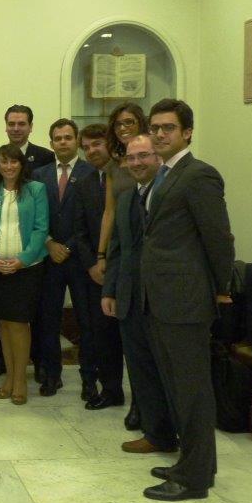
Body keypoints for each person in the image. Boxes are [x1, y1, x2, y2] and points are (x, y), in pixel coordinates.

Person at [140, 99, 234, 502]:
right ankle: (193, 463)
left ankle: (194, 479)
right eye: (155, 128)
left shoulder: (199, 175)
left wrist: (221, 288)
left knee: (192, 391)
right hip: (161, 299)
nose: (160, 134)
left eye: (169, 128)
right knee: (178, 388)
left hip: (184, 301)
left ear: (187, 132)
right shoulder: (164, 174)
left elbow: (219, 238)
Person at [101, 135, 177, 456]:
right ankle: (156, 433)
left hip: (163, 298)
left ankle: (178, 432)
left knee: (168, 370)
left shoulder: (170, 193)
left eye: (143, 156)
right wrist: (110, 290)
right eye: (131, 158)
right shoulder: (127, 196)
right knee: (141, 369)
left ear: (158, 157)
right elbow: (118, 247)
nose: (136, 163)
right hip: (131, 297)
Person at [0, 104, 53, 378]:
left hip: (30, 259)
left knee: (31, 317)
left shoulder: (44, 157)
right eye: (11, 123)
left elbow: (41, 220)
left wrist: (26, 257)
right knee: (3, 318)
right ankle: (3, 363)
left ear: (30, 126)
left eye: (21, 123)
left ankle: (37, 365)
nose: (16, 128)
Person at [0, 145, 49, 405]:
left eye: (13, 162)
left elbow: (41, 228)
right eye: (4, 162)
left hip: (26, 268)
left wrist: (22, 260)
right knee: (4, 324)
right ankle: (9, 376)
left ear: (21, 164)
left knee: (19, 324)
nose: (8, 167)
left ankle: (20, 380)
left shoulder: (36, 190)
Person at [31, 119, 95, 399]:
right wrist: (49, 243)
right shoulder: (39, 174)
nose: (63, 142)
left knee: (86, 321)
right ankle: (51, 375)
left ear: (76, 140)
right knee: (48, 320)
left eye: (68, 137)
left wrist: (67, 246)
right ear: (51, 143)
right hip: (48, 259)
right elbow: (33, 215)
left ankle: (89, 379)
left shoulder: (91, 172)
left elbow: (92, 219)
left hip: (81, 259)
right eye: (58, 138)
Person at [93, 101, 148, 429]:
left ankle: (144, 403)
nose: (124, 128)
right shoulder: (115, 167)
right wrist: (102, 256)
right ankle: (113, 390)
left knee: (141, 340)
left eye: (129, 122)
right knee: (112, 329)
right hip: (121, 252)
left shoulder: (153, 161)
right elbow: (109, 213)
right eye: (118, 124)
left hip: (148, 256)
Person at [71, 123, 125, 411]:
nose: (91, 151)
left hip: (126, 267)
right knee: (100, 333)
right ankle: (110, 389)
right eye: (87, 147)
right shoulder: (85, 182)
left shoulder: (127, 175)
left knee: (128, 335)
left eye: (97, 144)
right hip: (95, 271)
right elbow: (79, 230)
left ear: (110, 143)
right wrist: (93, 264)